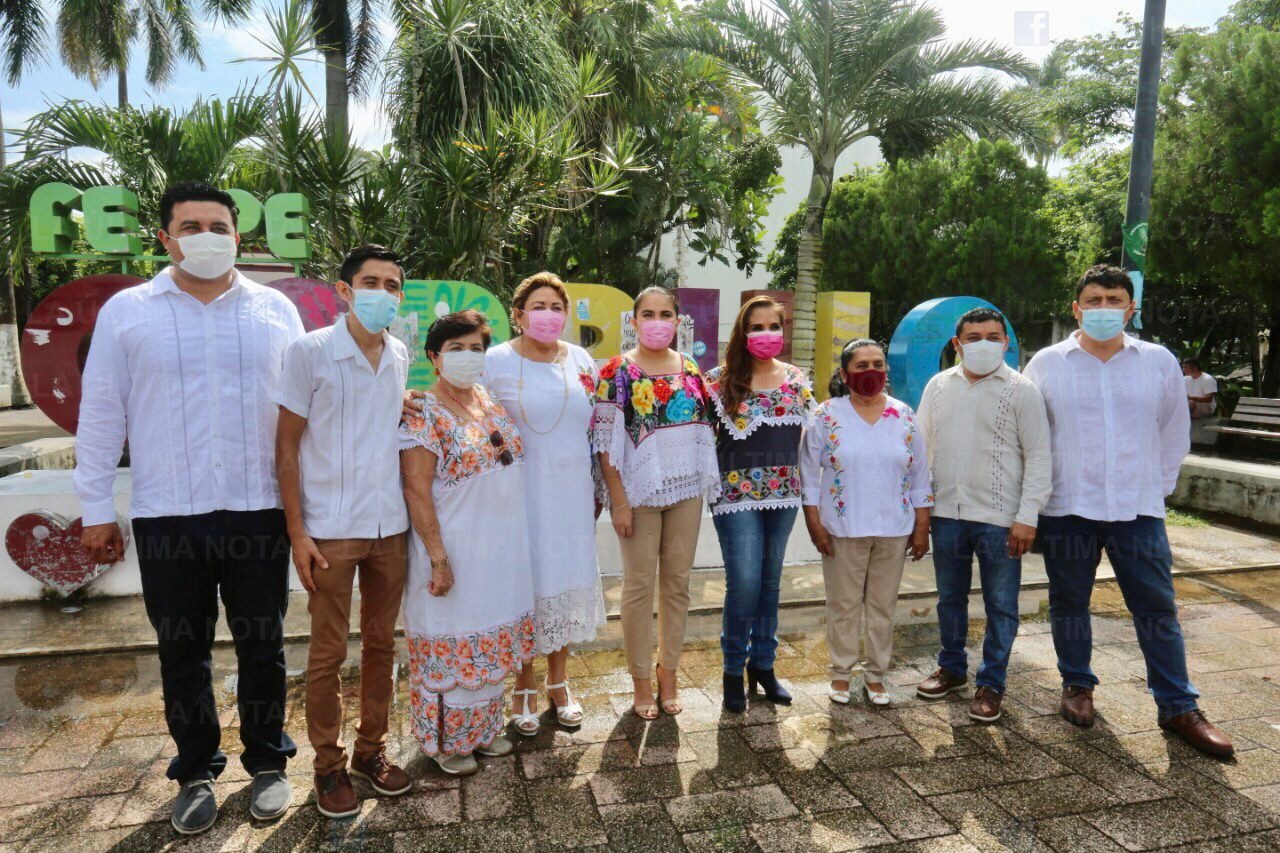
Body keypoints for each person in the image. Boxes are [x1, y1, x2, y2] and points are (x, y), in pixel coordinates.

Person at [75, 181, 302, 834]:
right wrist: (94, 505)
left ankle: (268, 760)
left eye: (218, 225)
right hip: (168, 512)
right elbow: (100, 413)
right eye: (190, 225)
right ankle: (197, 769)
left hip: (259, 507)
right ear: (164, 237)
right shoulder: (128, 312)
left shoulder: (274, 311)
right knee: (183, 650)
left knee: (264, 645)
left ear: (238, 236)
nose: (206, 235)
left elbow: (303, 408)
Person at [1024, 263, 1233, 757]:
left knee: (1156, 607)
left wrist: (1153, 491)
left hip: (1137, 511)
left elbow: (1173, 432)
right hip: (1067, 506)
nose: (1103, 309)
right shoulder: (1048, 363)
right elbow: (1031, 437)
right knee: (1070, 603)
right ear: (1076, 308)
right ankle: (1077, 684)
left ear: (1130, 308)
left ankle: (1178, 704)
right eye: (1093, 300)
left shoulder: (1157, 360)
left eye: (1113, 300)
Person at [275, 245, 412, 818]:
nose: (383, 292)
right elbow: (285, 446)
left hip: (391, 527)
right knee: (328, 654)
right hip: (329, 530)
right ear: (345, 290)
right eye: (371, 282)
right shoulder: (309, 352)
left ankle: (370, 752)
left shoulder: (400, 352)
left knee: (382, 644)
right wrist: (297, 533)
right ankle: (327, 767)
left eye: (393, 284)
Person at [400, 310, 537, 775]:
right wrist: (439, 558)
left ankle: (482, 732)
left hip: (499, 553)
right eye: (456, 349)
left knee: (492, 636)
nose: (467, 356)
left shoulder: (489, 399)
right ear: (434, 358)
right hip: (452, 551)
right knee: (454, 642)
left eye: (476, 347)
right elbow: (416, 489)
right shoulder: (422, 412)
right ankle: (448, 743)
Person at [482, 272, 605, 736]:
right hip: (517, 496)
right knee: (523, 584)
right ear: (517, 313)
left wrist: (600, 486)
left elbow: (598, 427)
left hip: (571, 495)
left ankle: (560, 681)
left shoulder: (581, 360)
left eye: (557, 306)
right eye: (538, 305)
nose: (548, 314)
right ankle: (524, 683)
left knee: (563, 581)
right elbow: (469, 411)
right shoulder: (494, 361)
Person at [914, 308, 1051, 723]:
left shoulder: (1021, 390)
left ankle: (991, 683)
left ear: (1006, 342)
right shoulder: (938, 386)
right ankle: (952, 668)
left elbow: (1040, 457)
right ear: (957, 344)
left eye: (993, 336)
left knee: (1001, 604)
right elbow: (921, 450)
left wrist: (1028, 516)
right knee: (949, 599)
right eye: (973, 337)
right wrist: (920, 511)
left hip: (1001, 519)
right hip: (946, 514)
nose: (983, 344)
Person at [594, 286, 720, 719]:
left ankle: (670, 673)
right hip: (638, 493)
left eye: (665, 313)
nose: (657, 321)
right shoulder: (617, 371)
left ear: (677, 319)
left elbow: (703, 426)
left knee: (678, 586)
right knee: (638, 587)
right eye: (648, 313)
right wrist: (619, 501)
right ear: (633, 321)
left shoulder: (689, 366)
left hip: (685, 491)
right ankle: (641, 681)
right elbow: (605, 443)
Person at [800, 339, 933, 707]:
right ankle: (841, 674)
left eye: (878, 364)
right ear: (845, 374)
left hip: (895, 528)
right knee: (843, 604)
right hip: (842, 528)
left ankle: (876, 675)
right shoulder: (825, 415)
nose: (871, 371)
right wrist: (814, 522)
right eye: (861, 366)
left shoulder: (904, 414)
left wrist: (922, 525)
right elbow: (809, 475)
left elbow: (920, 473)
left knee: (882, 606)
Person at [706, 296, 816, 712]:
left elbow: (812, 437)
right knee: (745, 583)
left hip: (784, 492)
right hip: (735, 497)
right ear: (742, 331)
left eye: (774, 325)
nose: (766, 333)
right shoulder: (719, 379)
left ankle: (764, 666)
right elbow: (700, 439)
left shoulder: (795, 377)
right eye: (757, 326)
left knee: (771, 583)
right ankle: (733, 669)